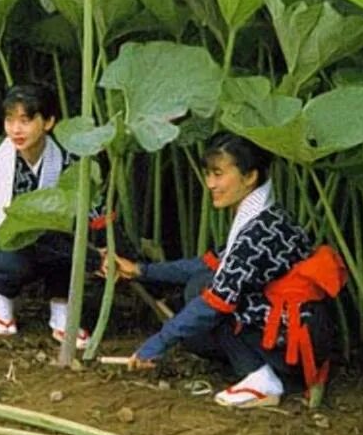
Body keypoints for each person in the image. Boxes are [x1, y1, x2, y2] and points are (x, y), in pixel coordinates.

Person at [105, 132, 343, 409]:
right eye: (208, 174)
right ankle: (265, 369)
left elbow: (214, 301)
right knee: (202, 284)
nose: (210, 184)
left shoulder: (256, 234)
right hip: (302, 332)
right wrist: (141, 271)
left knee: (204, 295)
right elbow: (209, 263)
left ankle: (265, 380)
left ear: (250, 176)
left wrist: (156, 344)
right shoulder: (267, 215)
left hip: (293, 345)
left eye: (218, 174)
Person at [0, 83, 102, 344]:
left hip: (49, 242)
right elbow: (2, 225)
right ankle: (0, 299)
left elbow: (87, 211)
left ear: (48, 122)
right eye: (10, 120)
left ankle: (62, 314)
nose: (15, 129)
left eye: (26, 120)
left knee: (69, 242)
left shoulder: (68, 161)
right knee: (21, 258)